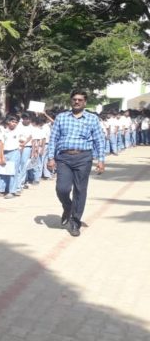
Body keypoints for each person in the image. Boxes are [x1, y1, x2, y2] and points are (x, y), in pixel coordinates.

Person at [47, 90, 106, 237]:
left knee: (80, 190)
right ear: (71, 101)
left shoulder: (92, 119)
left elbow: (99, 140)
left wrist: (101, 160)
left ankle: (75, 222)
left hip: (83, 158)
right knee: (62, 188)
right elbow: (53, 138)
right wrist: (50, 158)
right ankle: (67, 206)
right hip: (64, 158)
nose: (77, 102)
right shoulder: (61, 117)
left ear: (85, 102)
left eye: (80, 100)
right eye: (74, 99)